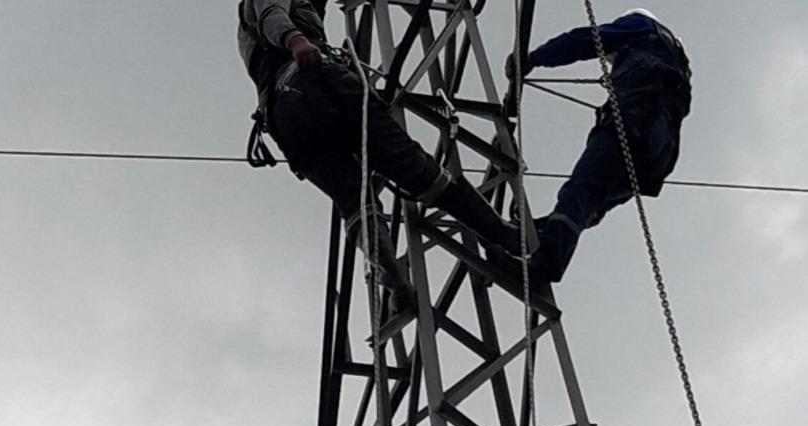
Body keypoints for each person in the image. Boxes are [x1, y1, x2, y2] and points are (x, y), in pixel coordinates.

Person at [237, 0, 524, 315]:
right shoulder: (267, 11)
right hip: (312, 82)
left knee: (355, 202)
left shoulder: (250, 38)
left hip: (286, 120)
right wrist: (296, 40)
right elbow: (271, 15)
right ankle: (504, 237)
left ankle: (398, 286)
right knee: (414, 168)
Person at [500, 8, 692, 283]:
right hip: (659, 153)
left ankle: (547, 263)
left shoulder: (641, 27)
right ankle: (544, 234)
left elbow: (588, 40)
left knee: (581, 189)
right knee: (591, 204)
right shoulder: (674, 65)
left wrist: (533, 59)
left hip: (634, 119)